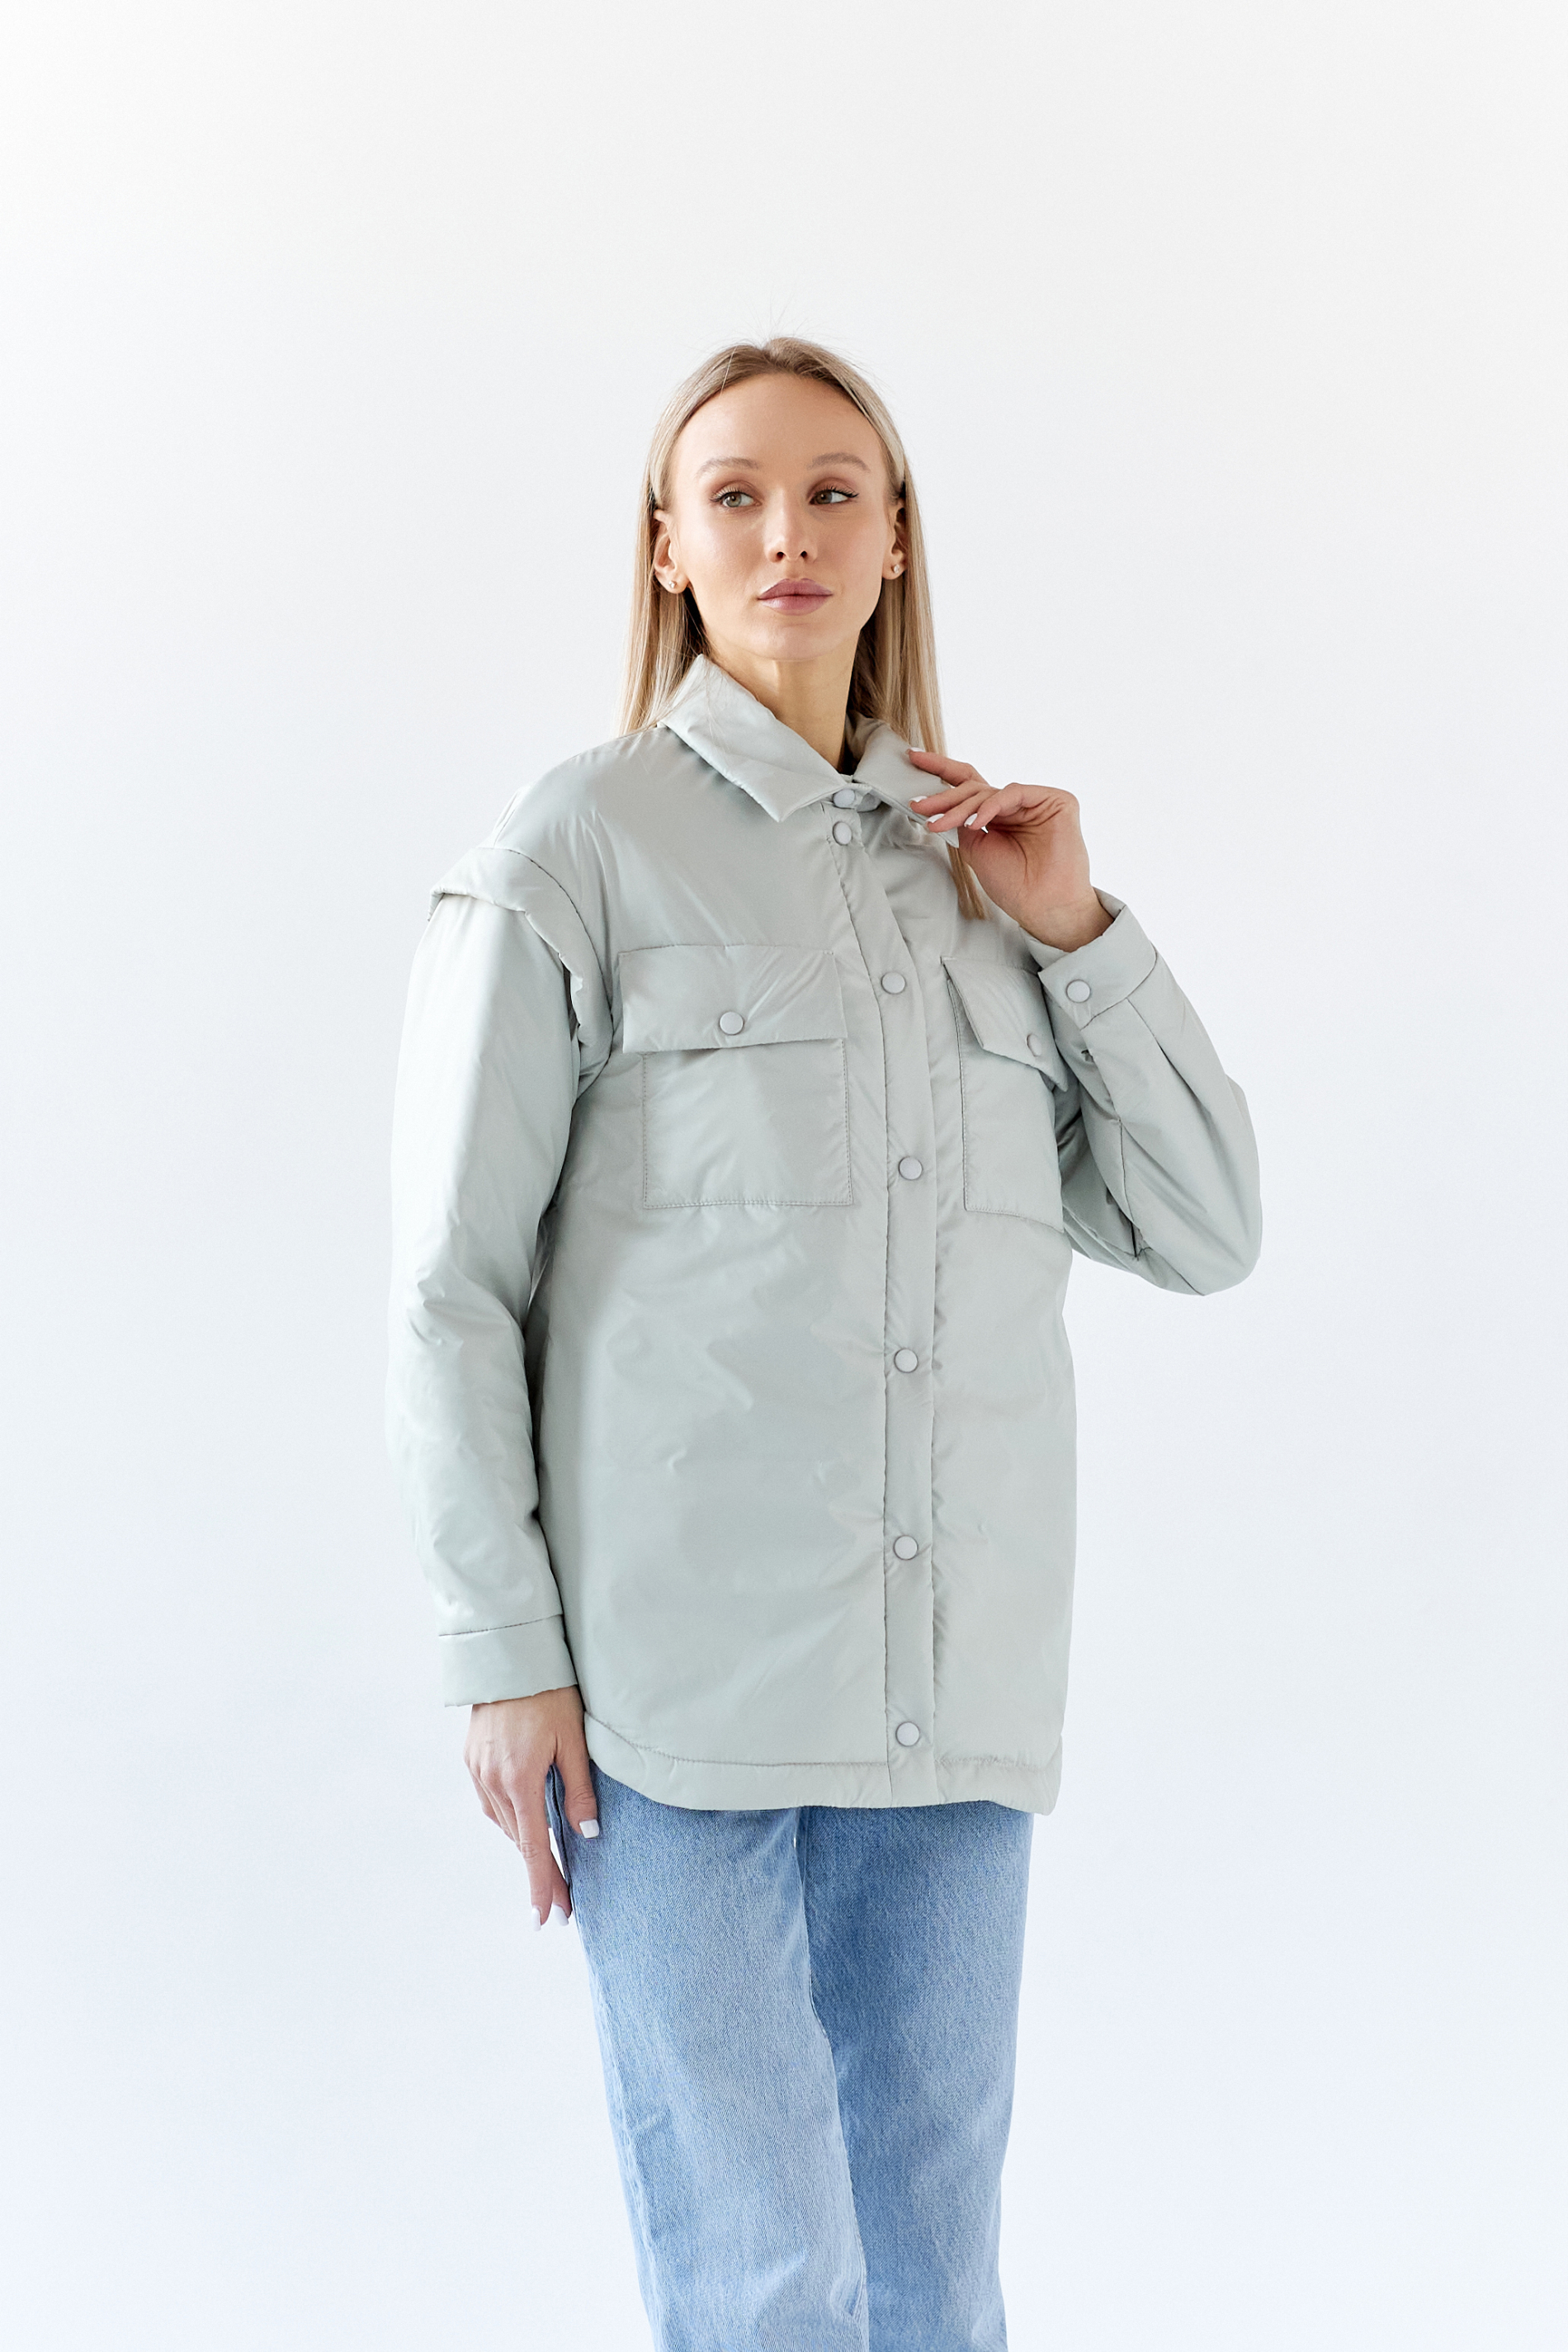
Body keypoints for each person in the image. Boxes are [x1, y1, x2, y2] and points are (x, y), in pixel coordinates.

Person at [386, 336, 1261, 2351]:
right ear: (667, 548)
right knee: (767, 2282)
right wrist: (501, 1650)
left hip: (948, 1694)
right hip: (666, 1705)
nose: (786, 531)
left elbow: (1206, 1225)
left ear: (893, 543)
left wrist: (1075, 933)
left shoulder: (983, 869)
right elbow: (451, 1283)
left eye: (832, 491)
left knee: (934, 2282)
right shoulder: (572, 847)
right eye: (735, 494)